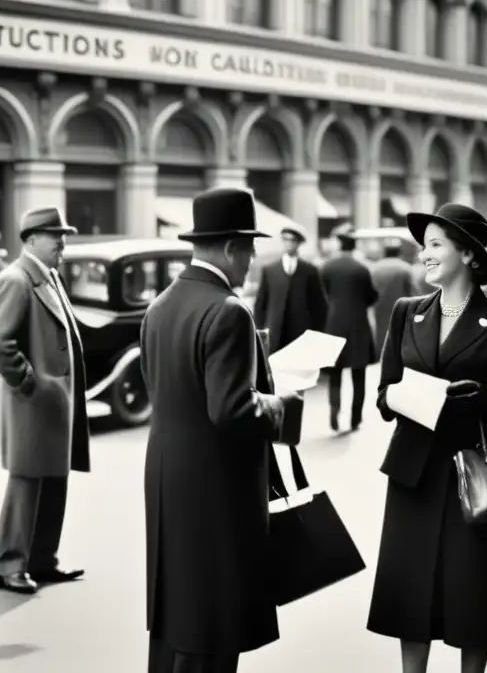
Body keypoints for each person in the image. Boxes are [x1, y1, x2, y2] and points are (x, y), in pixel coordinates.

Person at [140, 187, 301, 673]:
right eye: (249, 248)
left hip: (168, 475)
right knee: (213, 619)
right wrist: (282, 404)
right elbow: (232, 410)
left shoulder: (161, 304)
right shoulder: (228, 310)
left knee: (177, 614)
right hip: (215, 484)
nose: (251, 260)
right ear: (231, 247)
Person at [367, 203, 487, 673]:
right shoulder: (406, 313)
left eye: (436, 244)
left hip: (474, 476)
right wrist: (401, 397)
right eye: (425, 245)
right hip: (412, 474)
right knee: (410, 596)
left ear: (467, 253)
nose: (424, 254)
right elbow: (384, 395)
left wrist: (482, 397)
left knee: (473, 593)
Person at [0, 207, 90, 596]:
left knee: (53, 480)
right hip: (32, 402)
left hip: (51, 403)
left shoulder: (47, 276)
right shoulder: (16, 279)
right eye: (54, 234)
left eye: (63, 233)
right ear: (29, 240)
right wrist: (29, 382)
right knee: (26, 483)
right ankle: (9, 565)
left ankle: (42, 560)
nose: (62, 241)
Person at [320, 229, 378, 431]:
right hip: (358, 326)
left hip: (334, 324)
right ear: (354, 247)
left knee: (334, 374)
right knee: (358, 375)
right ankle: (355, 418)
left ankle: (334, 413)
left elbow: (322, 294)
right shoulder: (362, 269)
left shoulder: (327, 267)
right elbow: (372, 297)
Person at [253, 226, 327, 353]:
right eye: (285, 240)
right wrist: (261, 330)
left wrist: (316, 333)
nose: (289, 244)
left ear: (298, 243)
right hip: (275, 332)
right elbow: (260, 304)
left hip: (301, 333)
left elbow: (320, 305)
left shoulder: (309, 270)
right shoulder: (270, 270)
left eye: (292, 240)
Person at [371, 237, 417, 355]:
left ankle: (381, 353)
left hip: (380, 305)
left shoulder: (375, 268)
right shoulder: (405, 268)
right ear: (399, 252)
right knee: (399, 331)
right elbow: (412, 290)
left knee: (381, 329)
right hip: (401, 306)